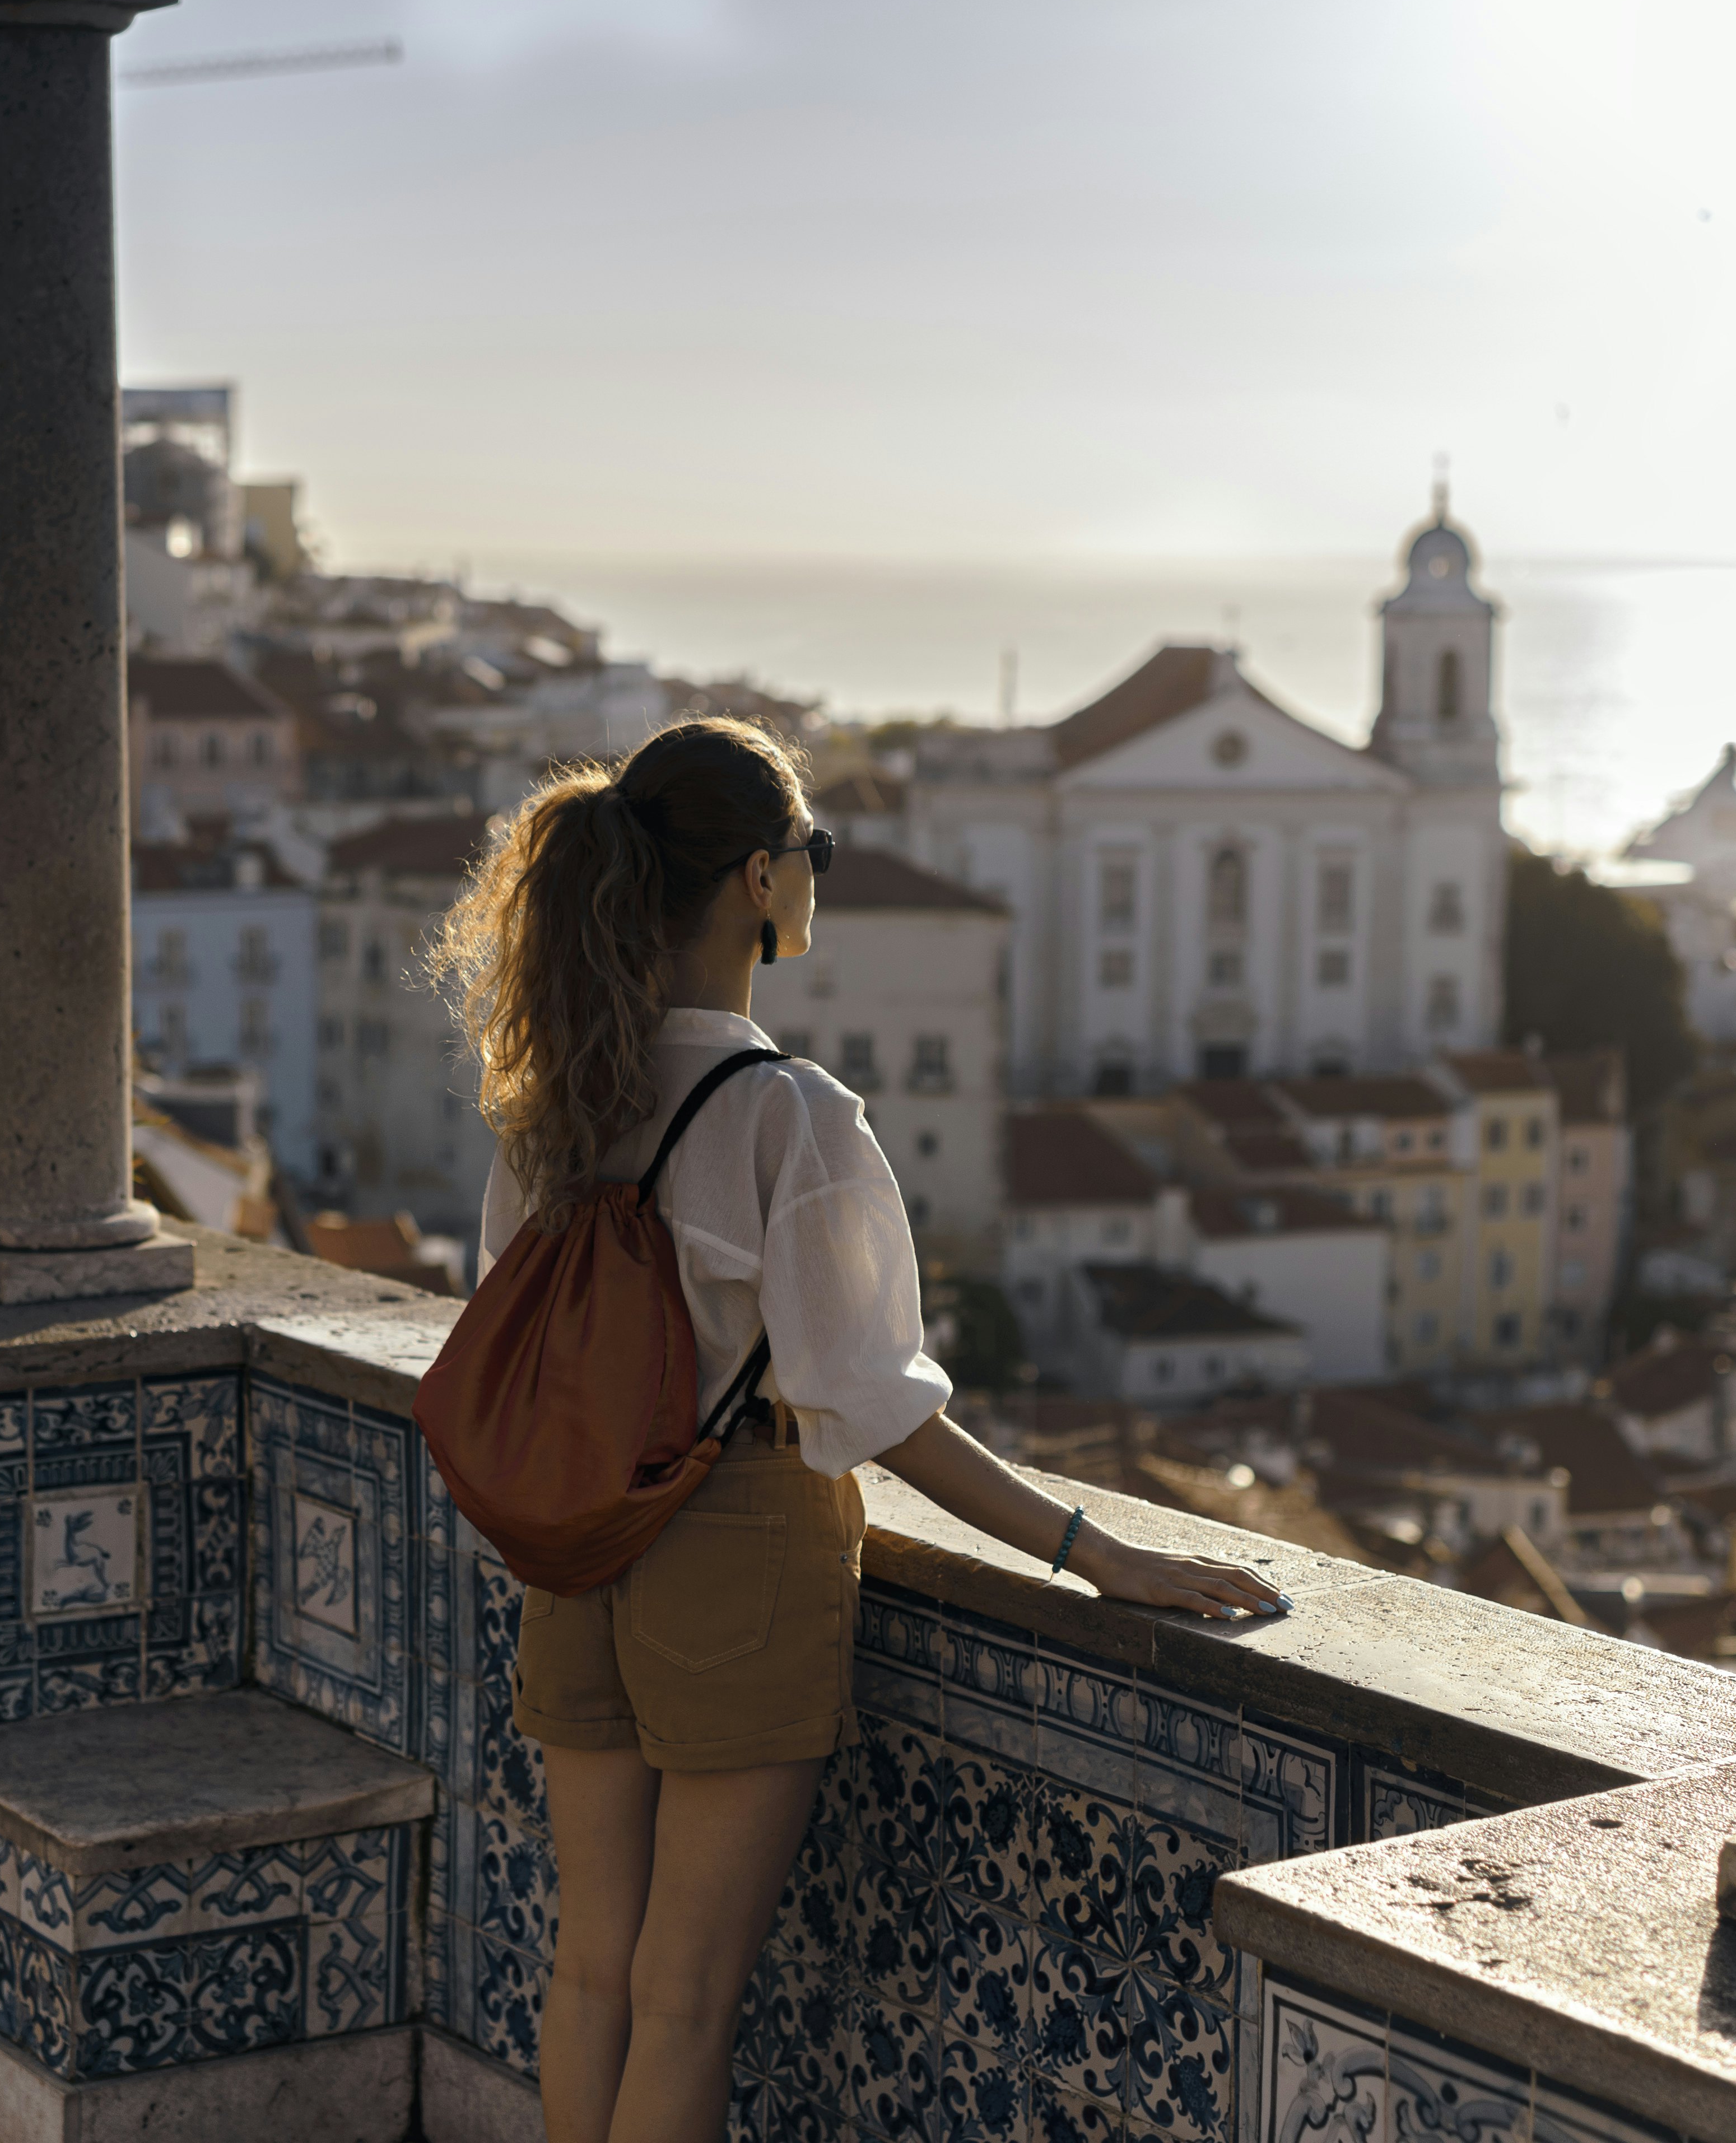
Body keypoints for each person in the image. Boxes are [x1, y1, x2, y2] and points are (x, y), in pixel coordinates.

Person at [430, 718, 1288, 2143]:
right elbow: (875, 1403)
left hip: (579, 1549)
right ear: (759, 881)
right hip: (735, 1550)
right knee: (689, 1993)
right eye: (812, 853)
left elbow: (511, 1324)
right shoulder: (791, 1117)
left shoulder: (560, 1102)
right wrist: (1093, 1549)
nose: (819, 877)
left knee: (594, 1970)